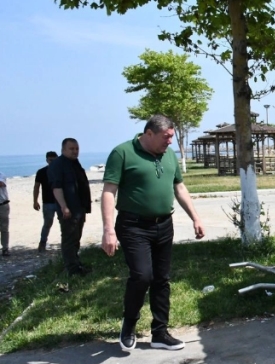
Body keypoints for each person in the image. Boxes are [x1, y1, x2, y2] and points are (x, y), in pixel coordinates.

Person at [101, 115, 205, 352]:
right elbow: (108, 192)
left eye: (172, 137)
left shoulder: (169, 155)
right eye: (166, 137)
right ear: (149, 134)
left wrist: (195, 217)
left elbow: (179, 187)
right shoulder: (122, 153)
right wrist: (108, 230)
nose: (170, 142)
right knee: (142, 276)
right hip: (133, 225)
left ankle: (160, 332)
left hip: (164, 225)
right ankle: (128, 326)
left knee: (162, 278)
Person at [48, 138, 92, 276]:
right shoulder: (58, 164)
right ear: (63, 150)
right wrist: (64, 207)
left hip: (79, 208)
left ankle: (76, 264)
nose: (75, 151)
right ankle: (72, 270)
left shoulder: (75, 163)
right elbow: (57, 187)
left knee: (76, 238)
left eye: (76, 149)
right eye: (71, 149)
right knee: (68, 239)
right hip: (68, 209)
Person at [34, 151, 59, 252]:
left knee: (65, 224)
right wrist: (35, 201)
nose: (52, 162)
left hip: (61, 202)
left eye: (54, 160)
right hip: (47, 202)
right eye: (50, 160)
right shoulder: (41, 172)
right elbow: (36, 187)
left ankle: (67, 244)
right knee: (47, 223)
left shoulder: (61, 171)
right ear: (47, 160)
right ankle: (42, 243)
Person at [0, 172, 9, 257]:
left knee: (4, 228)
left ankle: (5, 248)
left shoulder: (1, 175)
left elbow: (1, 183)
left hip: (2, 205)